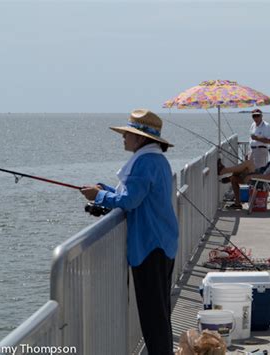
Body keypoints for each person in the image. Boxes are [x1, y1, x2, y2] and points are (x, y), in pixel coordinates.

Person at [80, 109, 178, 354]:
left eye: (127, 134)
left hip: (150, 246)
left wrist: (99, 195)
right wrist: (107, 190)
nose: (123, 138)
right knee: (160, 312)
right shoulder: (157, 160)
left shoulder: (145, 161)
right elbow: (135, 194)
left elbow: (131, 200)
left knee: (153, 317)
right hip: (163, 242)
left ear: (141, 138)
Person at [218, 143, 270, 209]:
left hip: (262, 182)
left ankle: (224, 171)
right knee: (235, 177)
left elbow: (267, 177)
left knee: (248, 164)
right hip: (260, 179)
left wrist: (251, 176)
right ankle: (237, 203)